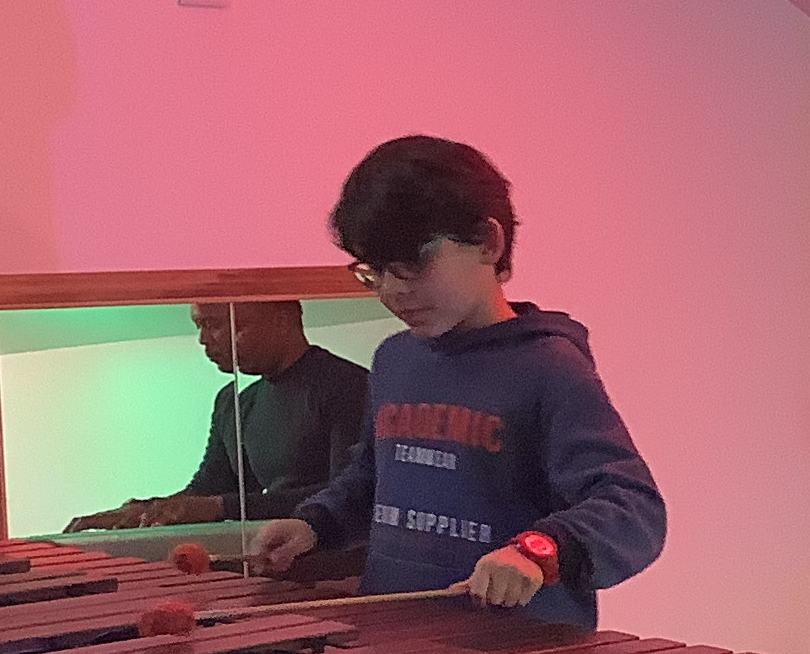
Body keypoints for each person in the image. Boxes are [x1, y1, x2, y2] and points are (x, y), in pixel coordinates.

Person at [248, 137, 665, 624]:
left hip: (513, 649)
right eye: (375, 272)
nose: (392, 290)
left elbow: (633, 509)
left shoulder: (549, 366)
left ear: (488, 242)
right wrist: (315, 523)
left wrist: (537, 552)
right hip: (395, 636)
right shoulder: (394, 360)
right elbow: (372, 477)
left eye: (413, 264)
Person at [68, 298, 369, 530]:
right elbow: (212, 487)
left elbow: (350, 493)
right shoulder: (234, 402)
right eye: (199, 326)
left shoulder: (348, 385)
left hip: (333, 563)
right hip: (270, 554)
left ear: (281, 320)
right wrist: (150, 510)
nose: (203, 339)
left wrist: (218, 507)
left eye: (215, 324)